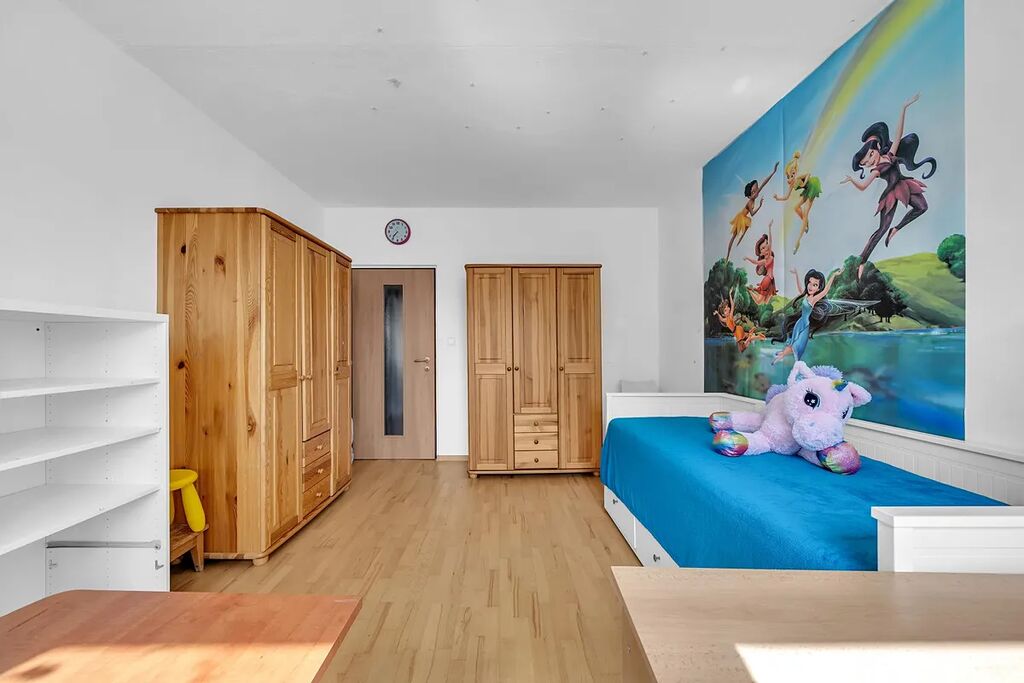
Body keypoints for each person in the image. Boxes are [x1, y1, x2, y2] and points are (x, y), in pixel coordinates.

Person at [841, 93, 937, 279]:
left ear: (876, 147)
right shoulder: (877, 170)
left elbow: (898, 135)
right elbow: (863, 186)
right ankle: (862, 262)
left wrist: (904, 108)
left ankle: (897, 228)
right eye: (865, 163)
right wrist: (852, 180)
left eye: (869, 156)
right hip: (891, 195)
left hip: (904, 185)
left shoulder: (890, 155)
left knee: (922, 207)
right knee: (881, 229)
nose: (869, 161)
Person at [772, 268, 837, 365]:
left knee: (797, 344)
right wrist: (796, 275)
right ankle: (782, 355)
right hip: (800, 323)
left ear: (818, 288)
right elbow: (799, 288)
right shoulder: (807, 295)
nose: (811, 286)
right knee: (793, 341)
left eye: (815, 285)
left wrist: (834, 275)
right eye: (809, 283)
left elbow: (825, 291)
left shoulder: (814, 299)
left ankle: (784, 357)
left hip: (805, 325)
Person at [726, 162, 778, 260]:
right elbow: (752, 214)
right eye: (754, 192)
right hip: (741, 217)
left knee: (746, 227)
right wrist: (760, 206)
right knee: (734, 236)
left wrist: (773, 172)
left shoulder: (754, 197)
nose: (756, 192)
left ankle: (739, 241)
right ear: (749, 195)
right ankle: (727, 255)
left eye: (756, 190)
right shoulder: (750, 202)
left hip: (745, 217)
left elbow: (764, 183)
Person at [773, 151, 821, 254]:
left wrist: (804, 183)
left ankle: (797, 241)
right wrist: (777, 198)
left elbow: (808, 174)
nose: (791, 177)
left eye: (793, 174)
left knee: (805, 212)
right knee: (796, 208)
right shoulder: (791, 184)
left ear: (795, 173)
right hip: (807, 190)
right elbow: (786, 197)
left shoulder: (798, 178)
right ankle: (806, 222)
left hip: (812, 186)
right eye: (789, 176)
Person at [745, 220, 776, 304]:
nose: (766, 247)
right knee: (759, 302)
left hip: (771, 280)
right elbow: (755, 262)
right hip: (767, 279)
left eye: (766, 244)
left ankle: (752, 290)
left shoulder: (770, 255)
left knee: (766, 302)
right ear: (761, 253)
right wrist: (747, 258)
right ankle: (750, 291)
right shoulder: (764, 260)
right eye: (762, 248)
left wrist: (769, 228)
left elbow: (770, 241)